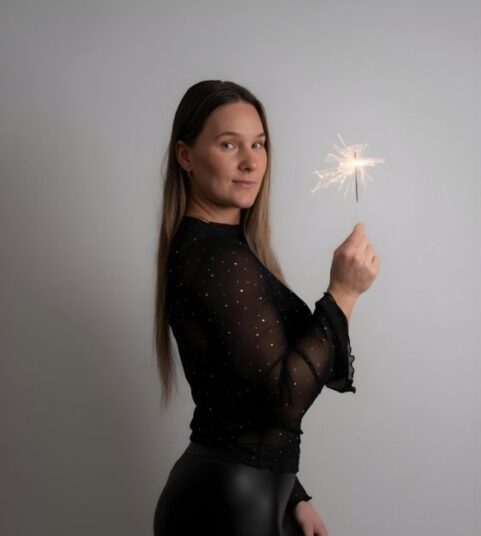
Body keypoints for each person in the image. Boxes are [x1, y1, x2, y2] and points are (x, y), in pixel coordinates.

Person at [152, 80, 379, 536]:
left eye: (258, 144)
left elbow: (239, 397)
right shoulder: (218, 259)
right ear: (185, 156)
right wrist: (343, 293)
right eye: (228, 144)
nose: (251, 161)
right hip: (227, 504)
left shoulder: (224, 248)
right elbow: (283, 399)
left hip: (244, 494)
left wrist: (293, 495)